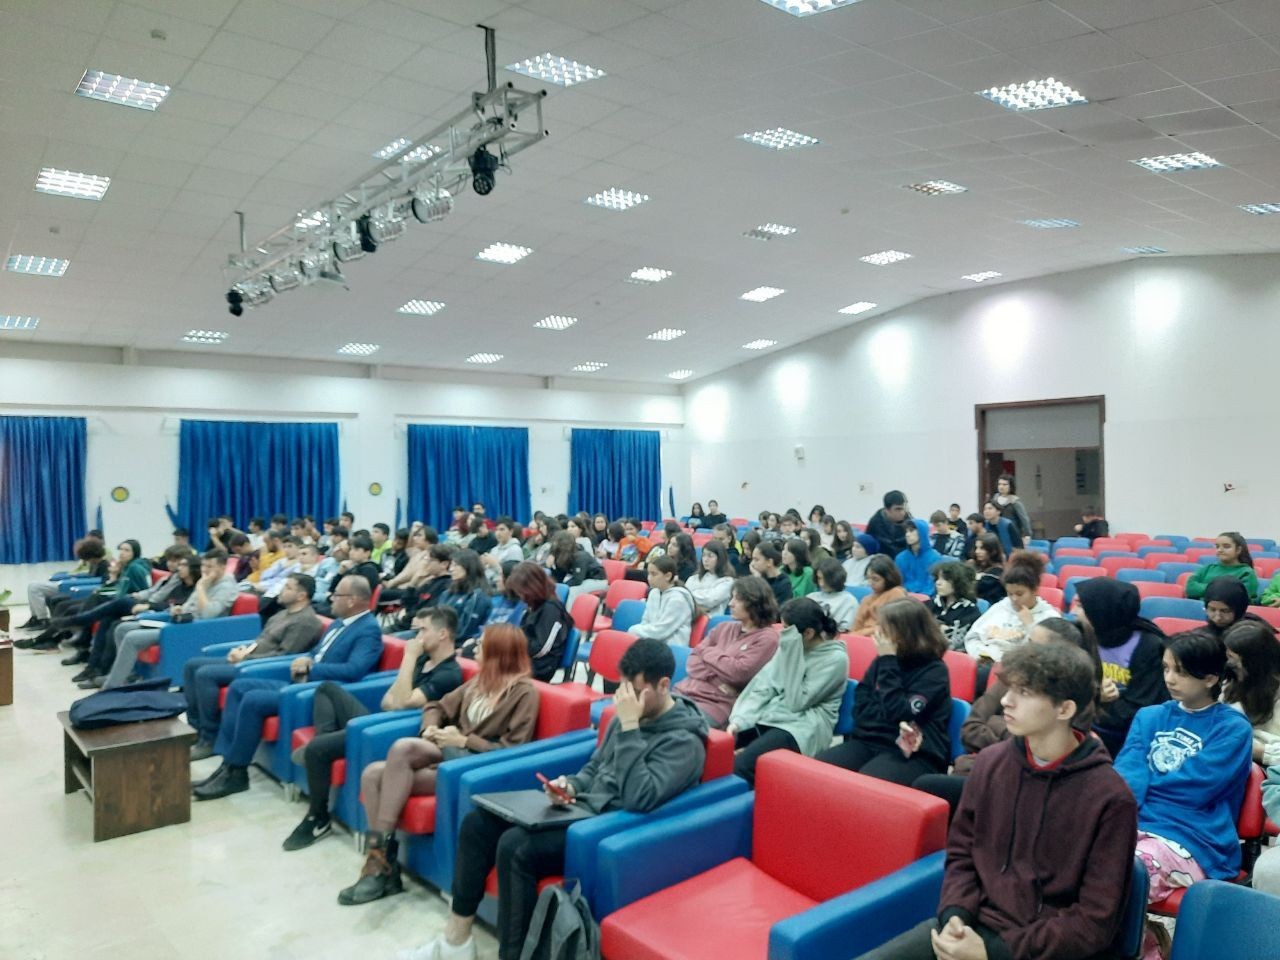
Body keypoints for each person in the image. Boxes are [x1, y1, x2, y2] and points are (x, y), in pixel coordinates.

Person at [403, 638, 707, 960]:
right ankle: (456, 942)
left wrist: (630, 727)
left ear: (663, 685)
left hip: (606, 826)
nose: (625, 700)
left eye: (635, 691)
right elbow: (595, 767)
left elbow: (638, 797)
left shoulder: (685, 740)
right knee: (478, 823)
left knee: (516, 846)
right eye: (623, 689)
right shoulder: (625, 717)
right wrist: (571, 785)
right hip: (579, 808)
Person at [855, 642, 1138, 960]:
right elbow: (962, 853)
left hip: (1045, 949)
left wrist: (997, 952)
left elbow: (1094, 922)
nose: (1006, 700)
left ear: (1065, 709)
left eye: (1025, 692)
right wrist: (956, 915)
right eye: (1010, 688)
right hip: (973, 925)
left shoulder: (1111, 799)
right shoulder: (991, 762)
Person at [339, 622, 534, 905]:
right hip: (447, 753)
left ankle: (379, 863)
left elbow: (515, 748)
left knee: (402, 749)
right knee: (371, 774)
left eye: (481, 645)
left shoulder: (524, 693)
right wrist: (429, 728)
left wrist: (464, 741)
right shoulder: (480, 681)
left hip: (473, 766)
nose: (474, 648)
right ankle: (382, 865)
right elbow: (436, 707)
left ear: (499, 652)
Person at [1115, 630, 1254, 960]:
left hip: (1194, 837)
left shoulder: (1233, 728)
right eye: (1165, 668)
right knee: (1078, 860)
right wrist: (1135, 794)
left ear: (1209, 678)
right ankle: (1146, 938)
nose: (1169, 678)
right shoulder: (1149, 716)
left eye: (1180, 671)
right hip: (1136, 821)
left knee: (1122, 872)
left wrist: (1147, 783)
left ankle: (1142, 948)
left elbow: (1196, 788)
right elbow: (1126, 774)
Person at [193, 575, 384, 800]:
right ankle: (227, 765)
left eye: (337, 595)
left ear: (352, 600)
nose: (331, 598)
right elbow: (317, 653)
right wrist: (305, 659)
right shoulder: (338, 622)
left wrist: (312, 669)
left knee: (254, 699)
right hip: (301, 681)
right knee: (240, 686)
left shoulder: (368, 630)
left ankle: (237, 773)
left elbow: (354, 670)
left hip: (318, 692)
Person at [913, 618, 1099, 816]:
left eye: (1034, 645)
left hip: (1023, 783)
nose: (1007, 701)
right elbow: (970, 728)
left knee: (931, 786)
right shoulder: (1013, 677)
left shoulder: (1076, 703)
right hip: (984, 769)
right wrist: (1005, 739)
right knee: (926, 790)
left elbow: (1038, 752)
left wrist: (995, 724)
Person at [186, 574, 325, 759]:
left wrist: (246, 658)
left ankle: (209, 738)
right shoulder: (281, 614)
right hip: (250, 658)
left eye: (288, 587)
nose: (282, 590)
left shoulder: (306, 621)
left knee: (205, 674)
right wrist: (242, 650)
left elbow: (285, 656)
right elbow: (261, 641)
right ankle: (195, 729)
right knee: (191, 665)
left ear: (301, 596)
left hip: (263, 668)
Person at [817, 598, 951, 786]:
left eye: (884, 629)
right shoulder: (881, 661)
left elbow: (898, 710)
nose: (877, 634)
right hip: (869, 740)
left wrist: (888, 659)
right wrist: (892, 719)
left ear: (906, 633)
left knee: (864, 788)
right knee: (817, 772)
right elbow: (861, 709)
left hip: (913, 752)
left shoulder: (934, 671)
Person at [727, 597, 848, 786]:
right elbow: (764, 685)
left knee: (740, 767)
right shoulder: (792, 644)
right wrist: (740, 720)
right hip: (772, 715)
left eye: (786, 629)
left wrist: (791, 651)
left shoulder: (835, 659)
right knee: (714, 749)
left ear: (808, 633)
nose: (782, 634)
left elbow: (797, 702)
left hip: (804, 726)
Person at [97, 549, 240, 689]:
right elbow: (189, 605)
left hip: (196, 629)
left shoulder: (226, 587)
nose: (205, 570)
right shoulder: (208, 580)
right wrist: (179, 609)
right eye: (204, 565)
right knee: (121, 628)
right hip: (181, 621)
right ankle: (128, 674)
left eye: (210, 567)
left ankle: (111, 687)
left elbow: (209, 614)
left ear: (222, 567)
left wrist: (201, 587)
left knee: (132, 637)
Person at [1072, 577, 1170, 758]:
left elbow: (1142, 706)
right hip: (1085, 717)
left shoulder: (1149, 646)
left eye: (1081, 607)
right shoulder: (1080, 633)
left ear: (1101, 613)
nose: (1073, 612)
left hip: (1126, 734)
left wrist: (1093, 703)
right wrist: (1094, 696)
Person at [72, 550, 197, 684]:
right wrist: (117, 579)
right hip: (155, 612)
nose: (176, 566)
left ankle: (106, 673)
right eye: (171, 561)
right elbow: (155, 595)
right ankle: (103, 668)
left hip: (165, 618)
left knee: (115, 614)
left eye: (181, 563)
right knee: (110, 618)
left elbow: (168, 604)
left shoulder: (187, 584)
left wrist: (149, 606)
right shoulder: (172, 580)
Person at [674, 577, 780, 728]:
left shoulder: (768, 638)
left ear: (755, 603)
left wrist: (707, 654)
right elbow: (692, 662)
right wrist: (720, 676)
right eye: (732, 598)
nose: (731, 603)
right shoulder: (723, 627)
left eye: (737, 599)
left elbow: (739, 672)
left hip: (715, 705)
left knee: (670, 726)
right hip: (683, 692)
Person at [963, 550, 1056, 662]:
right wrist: (978, 653)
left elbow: (1046, 657)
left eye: (1020, 594)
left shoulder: (1049, 616)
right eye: (1010, 593)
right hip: (985, 662)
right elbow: (973, 637)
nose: (1014, 599)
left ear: (1035, 590)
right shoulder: (1001, 607)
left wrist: (1030, 625)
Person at [1221, 619, 1280, 764]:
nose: (1229, 664)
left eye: (1232, 659)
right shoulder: (1233, 680)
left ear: (1254, 662)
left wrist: (1254, 749)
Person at [21, 536, 108, 631]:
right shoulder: (94, 564)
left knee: (34, 587)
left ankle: (43, 619)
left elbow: (99, 581)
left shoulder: (104, 565)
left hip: (73, 587)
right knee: (32, 586)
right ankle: (35, 617)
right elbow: (89, 577)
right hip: (73, 585)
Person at [505, 561, 572, 681]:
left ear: (531, 588)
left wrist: (513, 646)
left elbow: (542, 648)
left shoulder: (551, 609)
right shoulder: (533, 606)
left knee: (494, 667)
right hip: (524, 658)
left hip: (540, 666)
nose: (520, 596)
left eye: (521, 592)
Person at [628, 556, 696, 646]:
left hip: (671, 647)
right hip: (653, 642)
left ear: (668, 576)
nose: (649, 578)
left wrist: (635, 630)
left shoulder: (678, 600)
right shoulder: (654, 593)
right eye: (649, 573)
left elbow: (662, 631)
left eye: (654, 574)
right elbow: (646, 621)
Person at [437, 549, 493, 644]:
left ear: (469, 567)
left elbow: (464, 631)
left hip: (457, 643)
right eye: (451, 565)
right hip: (440, 637)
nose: (451, 569)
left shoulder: (478, 596)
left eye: (455, 565)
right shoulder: (447, 592)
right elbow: (436, 617)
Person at [1184, 532, 1259, 599]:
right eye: (1217, 546)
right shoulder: (1207, 568)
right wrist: (1221, 589)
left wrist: (1202, 590)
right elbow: (1190, 588)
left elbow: (1238, 597)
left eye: (1226, 546)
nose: (1220, 550)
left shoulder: (1246, 573)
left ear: (1238, 550)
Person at [850, 555, 909, 635]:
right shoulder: (866, 599)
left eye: (875, 579)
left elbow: (891, 628)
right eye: (868, 578)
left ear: (888, 578)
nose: (870, 583)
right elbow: (854, 630)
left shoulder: (896, 593)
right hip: (863, 640)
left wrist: (864, 633)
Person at [545, 530, 607, 605]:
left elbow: (577, 580)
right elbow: (559, 578)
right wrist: (552, 566)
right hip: (584, 579)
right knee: (556, 589)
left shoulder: (580, 556)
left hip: (597, 580)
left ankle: (568, 614)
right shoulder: (563, 556)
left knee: (572, 591)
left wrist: (563, 587)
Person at [930, 560, 981, 649]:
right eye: (937, 578)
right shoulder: (930, 604)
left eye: (945, 579)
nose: (938, 583)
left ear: (958, 582)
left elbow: (958, 642)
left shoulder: (970, 611)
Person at [894, 518, 943, 597]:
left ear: (922, 533)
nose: (907, 534)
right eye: (906, 531)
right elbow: (896, 583)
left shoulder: (935, 557)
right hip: (903, 600)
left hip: (926, 600)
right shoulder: (900, 558)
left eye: (911, 531)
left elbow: (931, 587)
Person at [686, 540, 734, 616]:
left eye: (710, 556)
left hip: (712, 620)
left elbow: (710, 600)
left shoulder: (727, 581)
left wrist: (690, 595)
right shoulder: (693, 578)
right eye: (704, 555)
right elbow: (684, 599)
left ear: (720, 558)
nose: (705, 559)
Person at [807, 557, 857, 631]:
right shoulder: (811, 597)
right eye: (819, 578)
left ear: (836, 578)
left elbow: (846, 632)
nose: (822, 584)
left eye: (826, 579)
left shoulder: (848, 601)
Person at [989, 472, 1032, 546]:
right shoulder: (995, 499)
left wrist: (1027, 535)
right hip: (996, 532)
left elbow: (1024, 519)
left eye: (1004, 484)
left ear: (1010, 486)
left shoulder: (1015, 501)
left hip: (1011, 533)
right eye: (999, 484)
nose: (1001, 487)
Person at [865, 490, 910, 556]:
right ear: (887, 510)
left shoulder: (910, 524)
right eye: (898, 509)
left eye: (904, 508)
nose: (902, 512)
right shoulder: (875, 524)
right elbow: (867, 548)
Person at [750, 541, 793, 607]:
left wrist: (758, 582)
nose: (752, 564)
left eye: (756, 560)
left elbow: (774, 611)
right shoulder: (758, 577)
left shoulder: (784, 584)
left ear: (769, 562)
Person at [970, 532, 1006, 606]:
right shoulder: (974, 565)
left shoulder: (997, 572)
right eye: (976, 548)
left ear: (993, 551)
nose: (977, 551)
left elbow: (976, 587)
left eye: (982, 548)